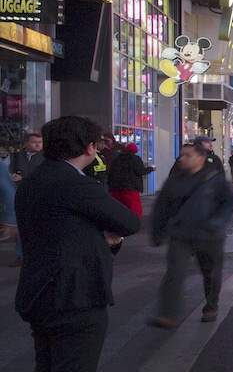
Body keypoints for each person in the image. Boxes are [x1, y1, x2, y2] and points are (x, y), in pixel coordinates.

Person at [13, 115, 142, 372]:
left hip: (37, 293)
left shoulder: (31, 182)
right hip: (74, 297)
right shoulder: (78, 184)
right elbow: (129, 222)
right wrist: (108, 236)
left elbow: (59, 228)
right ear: (89, 148)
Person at [148, 136, 233, 328]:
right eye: (181, 156)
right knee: (174, 272)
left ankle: (211, 306)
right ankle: (168, 314)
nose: (182, 159)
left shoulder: (214, 178)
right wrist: (157, 232)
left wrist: (217, 222)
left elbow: (230, 202)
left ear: (200, 158)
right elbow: (161, 208)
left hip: (209, 235)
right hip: (181, 234)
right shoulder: (174, 181)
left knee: (211, 273)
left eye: (187, 155)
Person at [11, 131, 41, 266]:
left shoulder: (45, 158)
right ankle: (20, 255)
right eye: (34, 142)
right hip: (21, 195)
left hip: (39, 196)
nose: (37, 145)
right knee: (22, 225)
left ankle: (37, 256)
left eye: (40, 142)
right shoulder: (17, 157)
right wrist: (13, 176)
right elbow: (9, 171)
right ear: (26, 143)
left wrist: (24, 178)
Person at [106, 143, 151, 218]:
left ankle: (119, 222)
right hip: (130, 187)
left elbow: (111, 172)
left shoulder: (117, 159)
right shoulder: (135, 159)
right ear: (135, 151)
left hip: (115, 187)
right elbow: (140, 171)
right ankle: (135, 223)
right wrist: (150, 169)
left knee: (118, 207)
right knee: (134, 207)